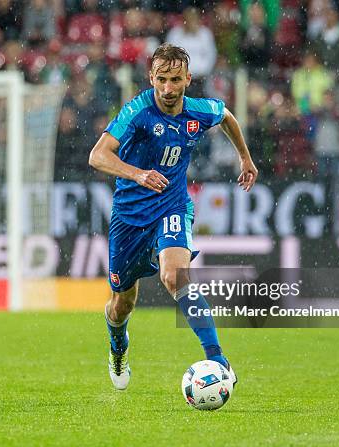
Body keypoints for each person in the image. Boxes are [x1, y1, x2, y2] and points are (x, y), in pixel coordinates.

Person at [88, 43, 258, 390]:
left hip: (172, 204)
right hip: (130, 216)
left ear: (188, 79)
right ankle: (118, 346)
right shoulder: (137, 111)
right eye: (161, 79)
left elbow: (226, 116)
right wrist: (137, 174)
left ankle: (218, 360)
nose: (167, 89)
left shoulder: (197, 112)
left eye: (175, 80)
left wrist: (245, 157)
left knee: (175, 276)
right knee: (122, 304)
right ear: (151, 77)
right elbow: (97, 156)